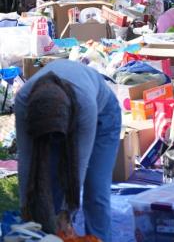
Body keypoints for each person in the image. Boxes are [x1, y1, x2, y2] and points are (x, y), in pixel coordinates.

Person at [15, 60, 121, 241]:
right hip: (67, 112)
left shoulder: (84, 106)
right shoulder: (24, 101)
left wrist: (66, 212)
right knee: (53, 186)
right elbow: (26, 160)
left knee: (95, 190)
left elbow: (79, 165)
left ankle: (99, 238)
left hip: (103, 117)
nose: (55, 142)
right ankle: (51, 235)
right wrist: (26, 208)